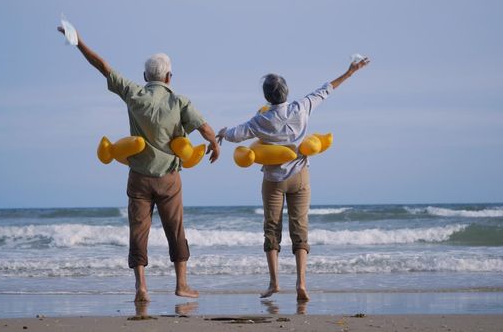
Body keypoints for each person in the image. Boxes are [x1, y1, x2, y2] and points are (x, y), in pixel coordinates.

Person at [58, 26, 220, 302]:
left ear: (146, 77)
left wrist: (78, 42)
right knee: (175, 229)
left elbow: (103, 67)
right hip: (169, 178)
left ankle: (141, 287)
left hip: (139, 178)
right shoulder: (179, 100)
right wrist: (215, 145)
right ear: (169, 76)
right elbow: (204, 127)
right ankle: (181, 284)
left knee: (138, 229)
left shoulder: (134, 93)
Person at [216, 58, 369, 302]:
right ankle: (301, 282)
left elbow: (236, 135)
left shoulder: (261, 120)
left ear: (267, 98)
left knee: (271, 229)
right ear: (287, 92)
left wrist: (222, 132)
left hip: (274, 180)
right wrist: (350, 72)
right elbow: (326, 89)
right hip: (300, 177)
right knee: (300, 229)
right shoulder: (302, 107)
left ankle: (275, 283)